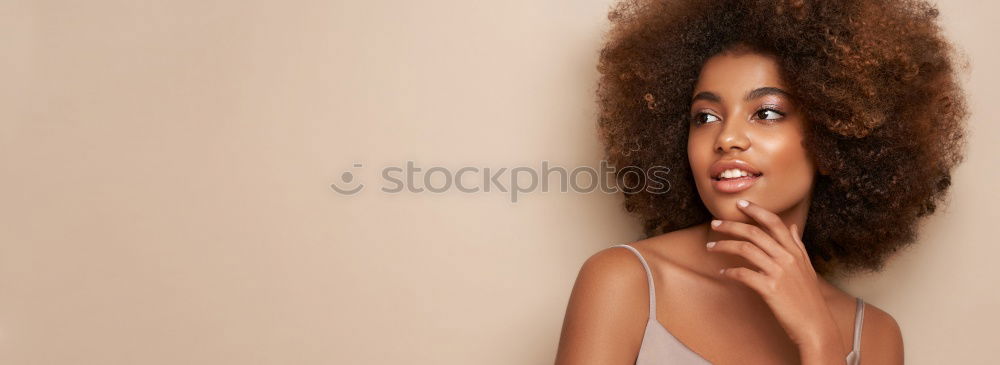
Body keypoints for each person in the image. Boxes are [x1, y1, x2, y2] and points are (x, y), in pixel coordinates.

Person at [555, 0, 968, 364]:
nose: (727, 138)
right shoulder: (625, 283)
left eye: (767, 113)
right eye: (705, 117)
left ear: (835, 135)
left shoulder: (873, 336)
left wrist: (819, 340)